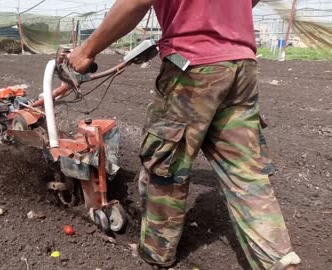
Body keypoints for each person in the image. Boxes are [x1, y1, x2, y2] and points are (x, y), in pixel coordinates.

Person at [68, 0, 301, 269]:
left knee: (167, 164)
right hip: (242, 64)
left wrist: (86, 51)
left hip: (193, 65)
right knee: (247, 173)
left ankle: (156, 253)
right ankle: (277, 260)